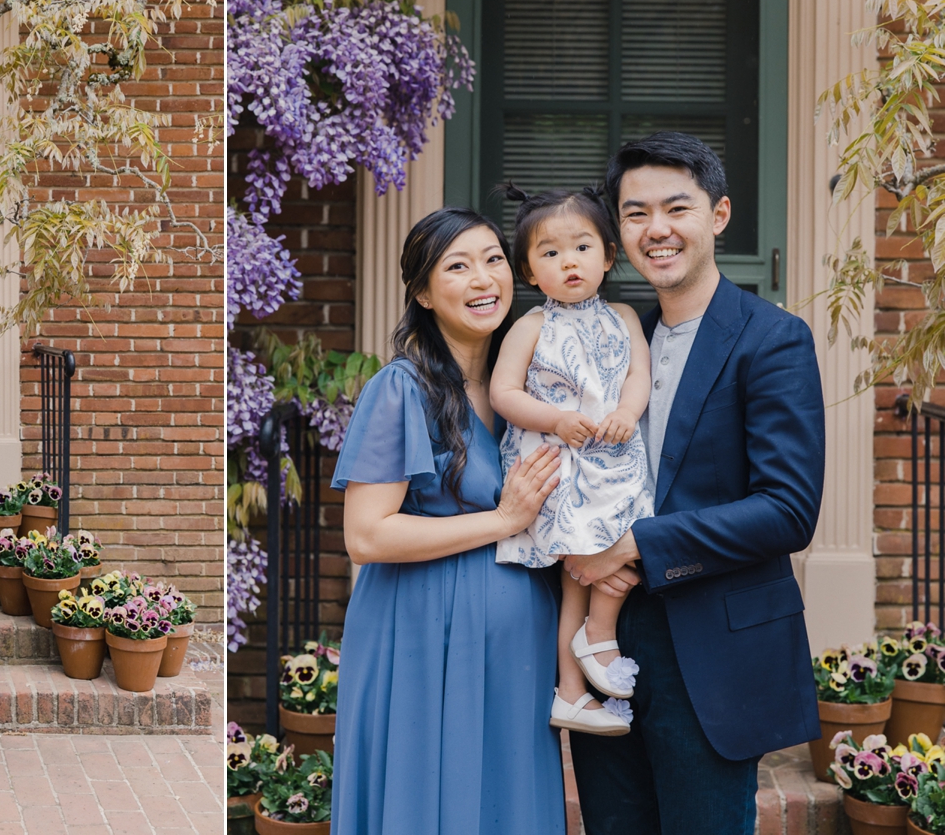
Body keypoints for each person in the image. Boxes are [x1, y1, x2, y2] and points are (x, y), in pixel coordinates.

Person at [567, 132, 825, 835]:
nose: (658, 230)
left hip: (712, 649)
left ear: (718, 215)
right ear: (618, 232)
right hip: (608, 644)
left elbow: (788, 510)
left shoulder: (772, 339)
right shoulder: (615, 342)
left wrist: (635, 546)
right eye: (636, 213)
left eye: (676, 208)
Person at [330, 206, 567, 835]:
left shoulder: (530, 391)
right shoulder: (400, 388)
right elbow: (367, 534)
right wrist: (504, 518)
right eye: (457, 267)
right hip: (421, 639)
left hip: (518, 649)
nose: (483, 279)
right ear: (422, 292)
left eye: (493, 260)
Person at [491, 185, 653, 737]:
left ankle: (581, 670)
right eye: (550, 253)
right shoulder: (531, 326)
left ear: (609, 256)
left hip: (615, 460)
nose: (569, 262)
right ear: (530, 272)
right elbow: (503, 393)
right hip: (563, 465)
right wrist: (555, 419)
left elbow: (638, 377)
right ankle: (583, 666)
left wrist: (629, 412)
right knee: (584, 570)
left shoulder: (627, 316)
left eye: (582, 247)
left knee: (613, 561)